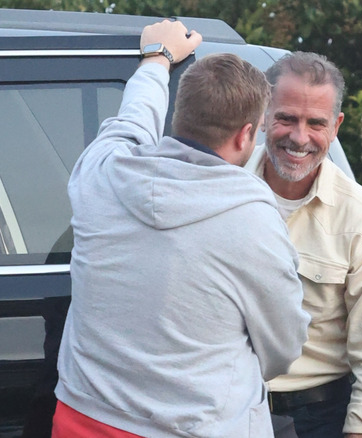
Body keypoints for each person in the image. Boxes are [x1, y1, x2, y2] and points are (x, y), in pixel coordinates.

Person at [53, 20, 310, 437]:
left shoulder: (101, 174)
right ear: (247, 134)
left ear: (179, 115)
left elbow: (130, 122)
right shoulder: (253, 221)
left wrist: (157, 59)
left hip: (83, 421)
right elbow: (282, 350)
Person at [254, 51, 362, 438]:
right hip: (219, 410)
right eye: (286, 118)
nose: (299, 137)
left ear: (336, 126)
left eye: (315, 123)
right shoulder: (218, 189)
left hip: (315, 419)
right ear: (262, 113)